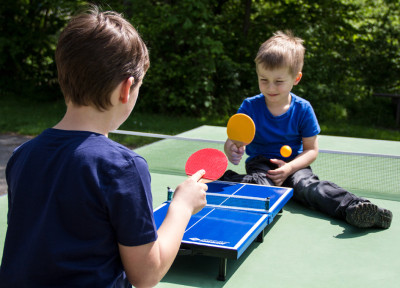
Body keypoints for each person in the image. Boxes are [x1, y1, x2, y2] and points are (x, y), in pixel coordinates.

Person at [0, 6, 207, 288]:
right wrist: (182, 206)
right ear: (126, 88)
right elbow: (146, 275)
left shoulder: (22, 156)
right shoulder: (123, 167)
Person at [221, 30, 392, 229]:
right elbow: (233, 139)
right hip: (261, 166)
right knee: (261, 191)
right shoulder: (249, 106)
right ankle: (226, 181)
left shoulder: (303, 109)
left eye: (279, 81)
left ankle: (355, 208)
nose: (270, 87)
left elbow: (311, 150)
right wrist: (231, 148)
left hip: (295, 164)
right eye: (263, 79)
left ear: (296, 78)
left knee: (308, 187)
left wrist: (289, 168)